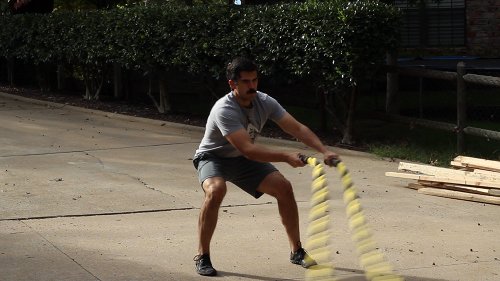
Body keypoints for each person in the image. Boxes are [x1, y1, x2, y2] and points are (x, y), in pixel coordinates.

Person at [192, 57, 339, 276]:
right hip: (213, 157)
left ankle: (296, 251)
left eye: (255, 80)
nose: (252, 86)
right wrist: (286, 156)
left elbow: (297, 128)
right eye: (246, 82)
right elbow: (248, 150)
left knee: (283, 187)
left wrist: (324, 150)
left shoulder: (264, 101)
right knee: (216, 190)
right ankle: (202, 255)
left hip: (242, 160)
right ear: (233, 84)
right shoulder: (224, 109)